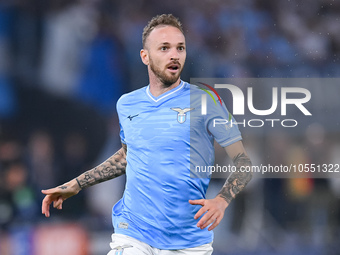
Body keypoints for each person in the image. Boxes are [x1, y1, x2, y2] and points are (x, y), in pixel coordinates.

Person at [41, 14, 252, 255]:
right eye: (164, 48)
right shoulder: (127, 104)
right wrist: (76, 185)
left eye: (180, 48)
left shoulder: (206, 100)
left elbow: (243, 163)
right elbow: (129, 156)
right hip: (134, 234)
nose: (174, 55)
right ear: (145, 56)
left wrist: (221, 200)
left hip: (186, 240)